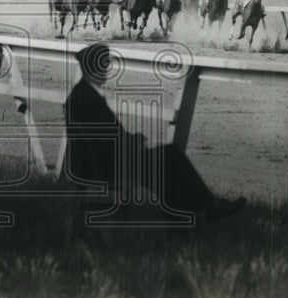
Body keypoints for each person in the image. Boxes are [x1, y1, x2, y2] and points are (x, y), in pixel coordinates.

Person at [63, 42, 246, 222]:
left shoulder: (83, 95)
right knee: (170, 157)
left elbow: (103, 139)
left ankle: (195, 212)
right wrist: (133, 145)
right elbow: (103, 144)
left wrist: (132, 140)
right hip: (106, 168)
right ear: (92, 69)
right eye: (102, 66)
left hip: (103, 163)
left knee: (168, 161)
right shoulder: (86, 99)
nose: (105, 70)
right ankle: (205, 208)